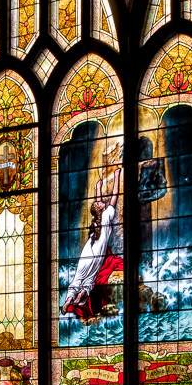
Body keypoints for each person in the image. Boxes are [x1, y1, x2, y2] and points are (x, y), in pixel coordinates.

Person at [61, 137, 123, 321]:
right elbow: (114, 196)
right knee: (90, 279)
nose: (100, 201)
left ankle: (69, 300)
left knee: (78, 278)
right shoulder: (107, 215)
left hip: (88, 251)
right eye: (99, 202)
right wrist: (118, 176)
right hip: (98, 252)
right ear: (100, 207)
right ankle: (81, 296)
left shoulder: (96, 219)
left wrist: (98, 187)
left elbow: (100, 201)